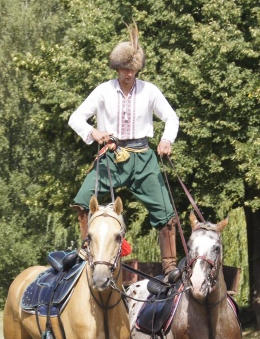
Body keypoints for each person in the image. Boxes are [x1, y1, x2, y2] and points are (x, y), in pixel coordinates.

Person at [68, 22, 180, 275]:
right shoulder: (103, 91)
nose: (129, 74)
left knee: (167, 214)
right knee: (82, 202)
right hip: (111, 156)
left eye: (133, 69)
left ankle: (170, 267)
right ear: (117, 68)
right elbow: (75, 118)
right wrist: (94, 132)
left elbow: (171, 118)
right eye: (125, 69)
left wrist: (166, 140)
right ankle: (87, 253)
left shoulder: (150, 91)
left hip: (143, 159)